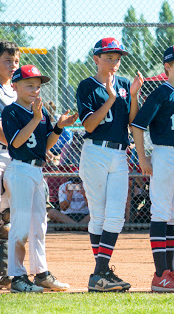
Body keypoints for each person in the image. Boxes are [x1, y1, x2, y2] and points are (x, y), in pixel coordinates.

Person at [76, 37, 143, 292]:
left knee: (115, 215)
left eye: (117, 58)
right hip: (95, 152)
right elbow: (89, 125)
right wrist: (111, 99)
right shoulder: (87, 86)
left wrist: (133, 95)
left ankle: (100, 273)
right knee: (100, 215)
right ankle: (101, 273)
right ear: (96, 59)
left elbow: (133, 121)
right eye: (109, 57)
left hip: (119, 154)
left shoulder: (125, 84)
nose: (115, 62)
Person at [131, 44, 174, 292]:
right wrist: (143, 157)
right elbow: (138, 125)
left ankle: (170, 272)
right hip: (164, 154)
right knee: (161, 212)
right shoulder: (161, 92)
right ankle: (160, 275)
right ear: (167, 67)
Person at [3, 65, 77, 292]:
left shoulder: (41, 112)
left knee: (39, 228)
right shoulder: (11, 111)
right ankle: (17, 277)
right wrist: (35, 119)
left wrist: (58, 128)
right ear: (15, 86)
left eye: (37, 86)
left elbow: (45, 145)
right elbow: (15, 143)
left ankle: (41, 273)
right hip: (20, 170)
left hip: (37, 171)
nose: (35, 90)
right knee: (21, 226)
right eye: (29, 85)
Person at [0, 40, 20, 290]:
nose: (13, 65)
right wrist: (20, 143)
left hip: (14, 157)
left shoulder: (16, 90)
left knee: (8, 216)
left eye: (16, 61)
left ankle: (5, 271)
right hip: (4, 153)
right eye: (7, 60)